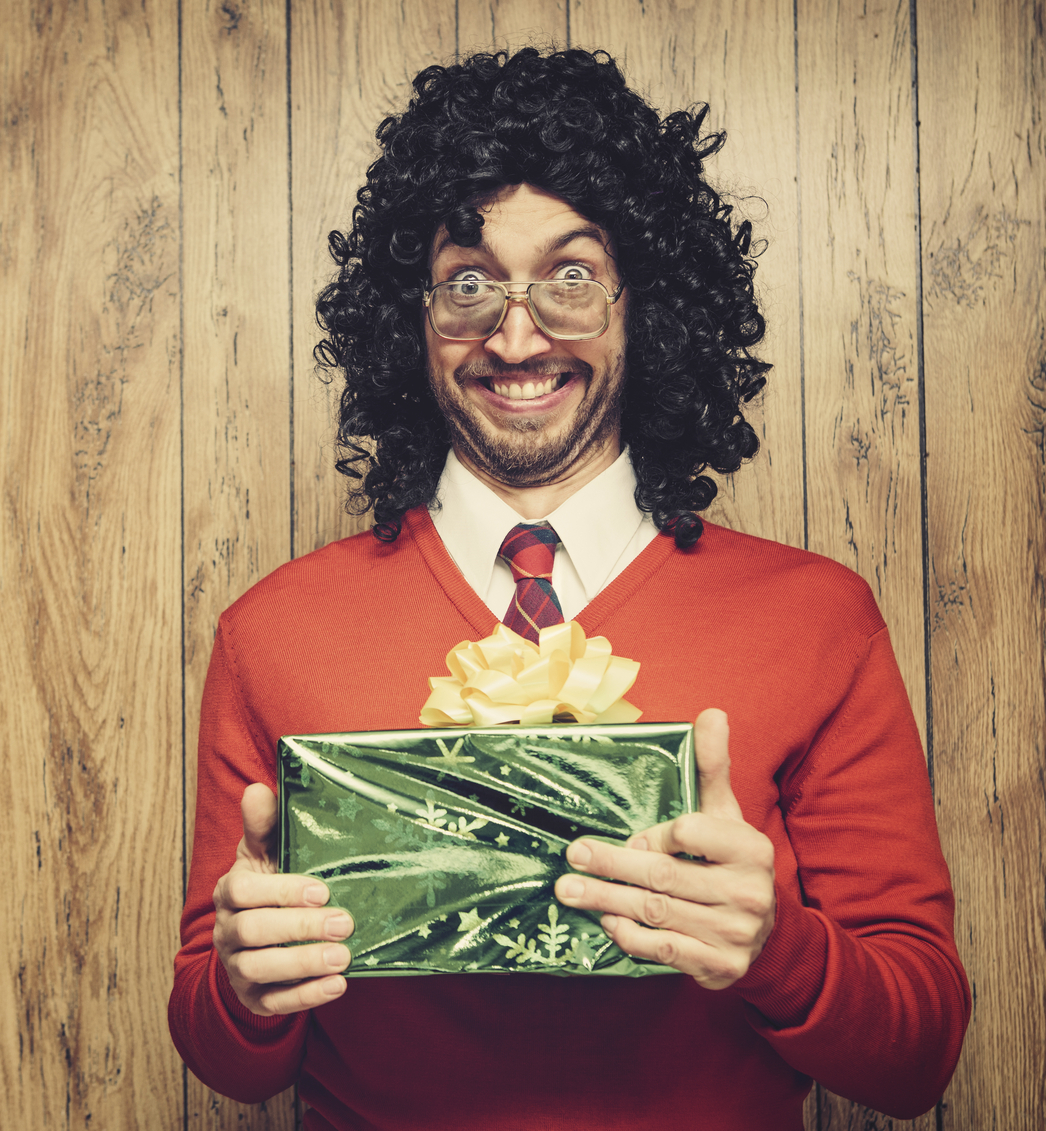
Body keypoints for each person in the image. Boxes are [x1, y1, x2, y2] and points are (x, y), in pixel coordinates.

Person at [168, 48, 968, 1129]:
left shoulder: (814, 619)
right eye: (467, 282)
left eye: (571, 277)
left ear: (652, 305)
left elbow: (916, 1057)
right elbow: (229, 1057)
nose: (515, 333)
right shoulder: (274, 633)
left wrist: (778, 950)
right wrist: (244, 983)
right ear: (408, 321)